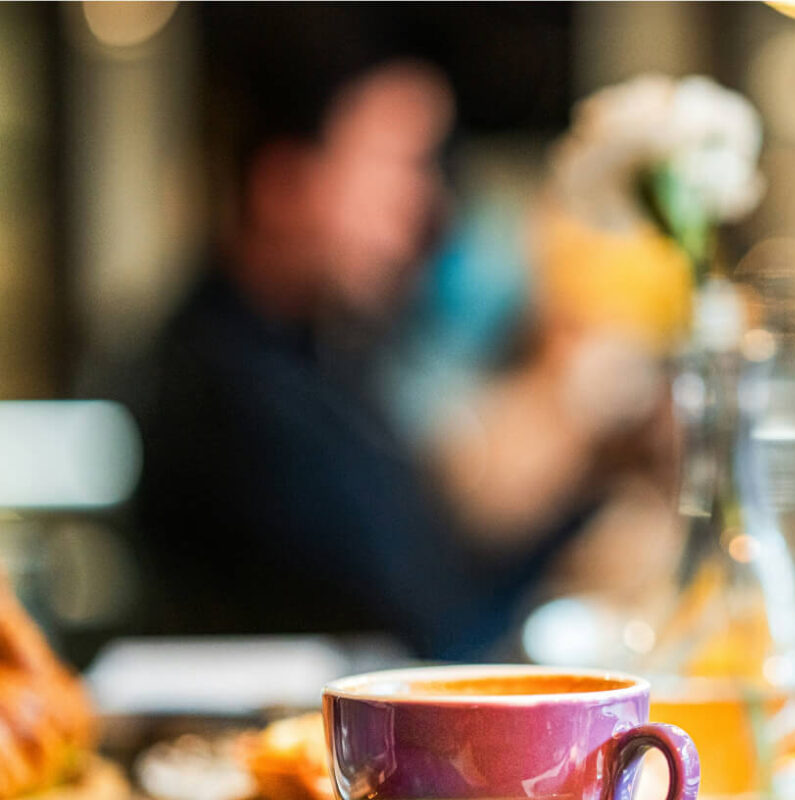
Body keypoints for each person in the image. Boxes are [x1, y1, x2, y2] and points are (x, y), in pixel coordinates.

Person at [137, 11, 663, 659]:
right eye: (395, 166)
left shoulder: (318, 356)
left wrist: (591, 477)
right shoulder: (229, 395)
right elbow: (431, 635)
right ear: (284, 184)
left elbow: (442, 591)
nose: (424, 205)